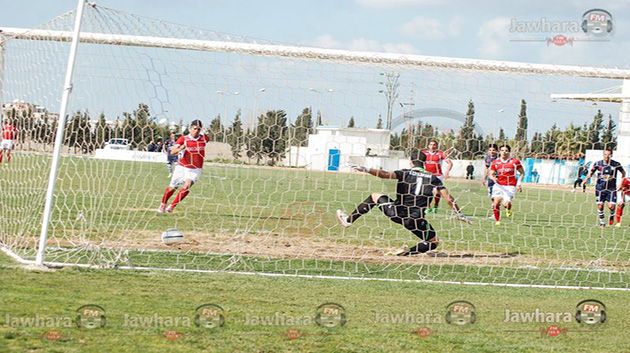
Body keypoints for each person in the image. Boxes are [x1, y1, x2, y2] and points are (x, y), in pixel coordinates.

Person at [335, 149, 441, 256]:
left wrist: (366, 169)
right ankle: (407, 253)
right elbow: (443, 195)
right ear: (424, 162)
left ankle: (348, 220)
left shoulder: (405, 172)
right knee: (433, 241)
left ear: (411, 161)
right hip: (415, 219)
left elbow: (384, 174)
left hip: (396, 212)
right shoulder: (432, 178)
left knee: (374, 196)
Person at [157, 120, 210, 213]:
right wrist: (182, 147)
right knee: (172, 188)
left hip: (195, 169)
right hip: (182, 166)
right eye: (195, 128)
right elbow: (172, 152)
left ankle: (171, 207)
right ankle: (163, 204)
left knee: (187, 186)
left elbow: (207, 137)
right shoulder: (183, 139)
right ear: (190, 129)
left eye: (199, 129)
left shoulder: (204, 138)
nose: (197, 131)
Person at [585, 149, 626, 227]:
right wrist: (585, 179)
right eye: (605, 154)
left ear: (612, 155)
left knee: (611, 206)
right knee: (600, 205)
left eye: (609, 154)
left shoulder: (616, 164)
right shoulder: (598, 164)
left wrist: (621, 184)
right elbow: (591, 172)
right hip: (600, 188)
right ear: (603, 155)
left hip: (611, 189)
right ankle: (602, 222)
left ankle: (612, 215)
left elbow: (623, 173)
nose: (607, 156)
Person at [488, 145, 524, 226]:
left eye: (506, 150)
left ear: (509, 152)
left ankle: (508, 209)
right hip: (498, 185)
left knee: (506, 204)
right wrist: (493, 178)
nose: (504, 152)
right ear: (499, 152)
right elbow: (490, 174)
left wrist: (519, 184)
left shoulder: (515, 162)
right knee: (495, 203)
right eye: (502, 150)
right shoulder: (495, 162)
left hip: (510, 186)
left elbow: (522, 173)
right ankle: (497, 221)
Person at [421, 139, 452, 213]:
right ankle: (428, 207)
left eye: (434, 145)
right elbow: (416, 160)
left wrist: (447, 172)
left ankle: (436, 206)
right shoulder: (424, 153)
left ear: (436, 146)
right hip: (427, 175)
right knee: (426, 192)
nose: (432, 146)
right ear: (428, 145)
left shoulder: (440, 154)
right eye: (431, 144)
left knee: (438, 192)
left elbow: (450, 163)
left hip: (438, 176)